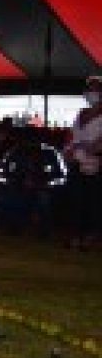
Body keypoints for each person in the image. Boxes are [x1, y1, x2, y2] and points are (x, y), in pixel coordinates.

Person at [63, 75, 102, 250]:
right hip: (78, 161)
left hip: (97, 162)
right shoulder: (81, 113)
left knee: (95, 201)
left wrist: (96, 149)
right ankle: (75, 235)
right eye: (89, 89)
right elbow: (72, 136)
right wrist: (68, 151)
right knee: (76, 199)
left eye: (94, 89)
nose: (91, 93)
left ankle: (92, 236)